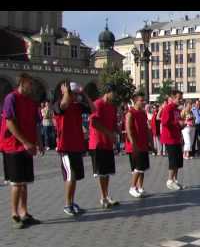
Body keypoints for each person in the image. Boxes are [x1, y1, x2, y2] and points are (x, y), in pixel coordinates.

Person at [0, 73, 44, 229]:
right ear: (22, 83)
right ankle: (14, 214)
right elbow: (10, 123)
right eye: (30, 83)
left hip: (28, 146)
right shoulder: (11, 98)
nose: (32, 87)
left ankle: (24, 212)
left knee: (24, 182)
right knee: (17, 183)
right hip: (13, 146)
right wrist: (25, 142)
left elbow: (36, 124)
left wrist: (39, 142)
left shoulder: (31, 102)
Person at [53, 81, 95, 216]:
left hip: (76, 146)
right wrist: (66, 93)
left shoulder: (77, 106)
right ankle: (67, 204)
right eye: (74, 94)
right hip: (65, 147)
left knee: (74, 177)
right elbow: (63, 106)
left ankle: (71, 202)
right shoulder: (59, 104)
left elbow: (93, 109)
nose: (77, 96)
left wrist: (84, 93)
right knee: (70, 175)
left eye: (77, 94)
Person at [89, 84, 119, 209]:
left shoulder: (112, 107)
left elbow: (113, 123)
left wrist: (117, 132)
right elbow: (94, 122)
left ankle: (106, 195)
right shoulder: (97, 104)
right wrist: (108, 133)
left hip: (108, 143)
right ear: (107, 92)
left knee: (107, 172)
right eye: (114, 92)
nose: (115, 95)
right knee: (101, 173)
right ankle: (103, 197)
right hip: (98, 143)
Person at [125, 93, 152, 198]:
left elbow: (146, 128)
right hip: (135, 146)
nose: (143, 102)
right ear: (135, 101)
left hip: (143, 144)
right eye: (141, 100)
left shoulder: (143, 113)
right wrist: (133, 143)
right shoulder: (130, 113)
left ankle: (140, 188)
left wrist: (150, 142)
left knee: (143, 168)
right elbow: (128, 129)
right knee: (137, 167)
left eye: (144, 100)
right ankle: (132, 187)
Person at [161, 90, 185, 190]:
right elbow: (164, 122)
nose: (181, 100)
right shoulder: (168, 108)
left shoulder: (176, 109)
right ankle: (170, 180)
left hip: (176, 138)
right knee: (173, 160)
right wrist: (177, 123)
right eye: (179, 98)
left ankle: (175, 180)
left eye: (181, 98)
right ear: (173, 98)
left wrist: (181, 126)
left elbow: (178, 122)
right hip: (170, 138)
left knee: (178, 160)